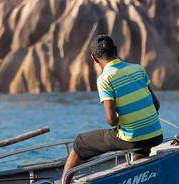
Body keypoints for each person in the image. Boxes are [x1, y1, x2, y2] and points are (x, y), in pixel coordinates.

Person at [64, 34, 164, 175]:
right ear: (116, 50)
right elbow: (156, 105)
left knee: (80, 142)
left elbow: (111, 120)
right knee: (140, 141)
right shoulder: (138, 69)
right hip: (156, 135)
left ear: (93, 58)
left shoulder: (104, 79)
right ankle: (137, 165)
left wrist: (120, 122)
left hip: (132, 139)